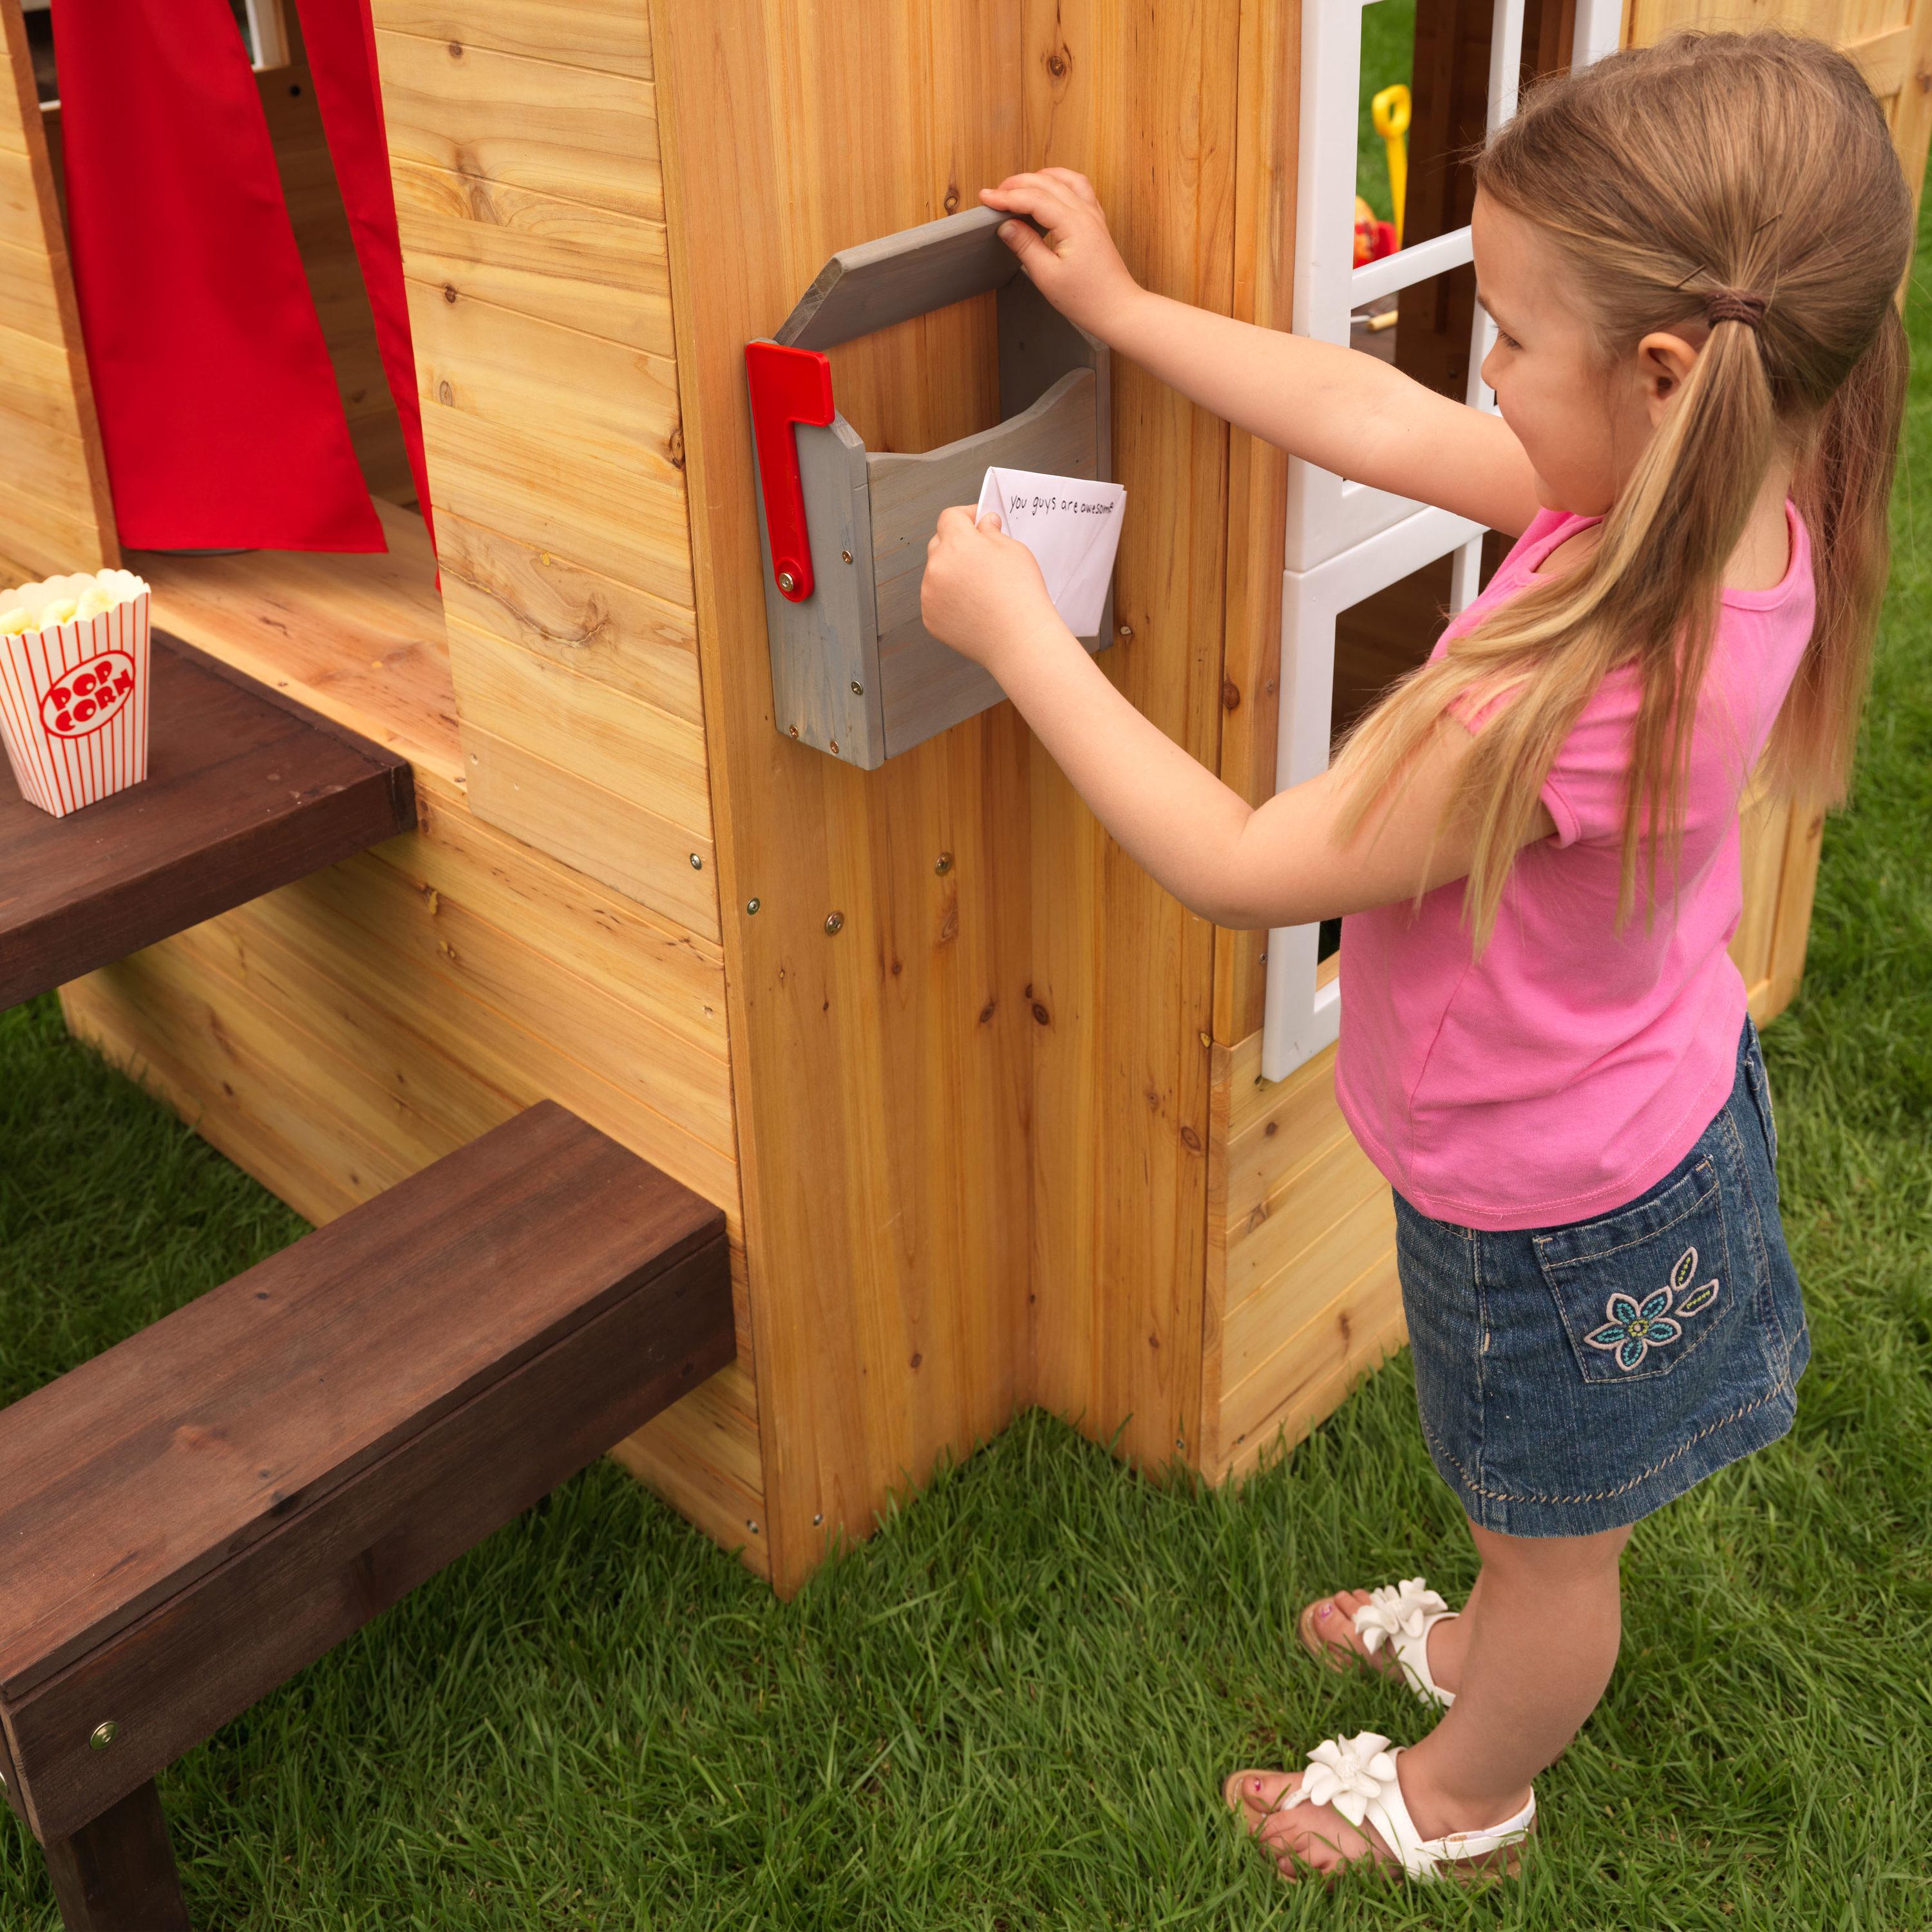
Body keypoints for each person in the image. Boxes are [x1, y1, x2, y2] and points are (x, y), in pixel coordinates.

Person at [918, 28, 1911, 1885]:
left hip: (1555, 1211)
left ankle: (1469, 1792)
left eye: (1511, 336)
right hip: (1638, 1130)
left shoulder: (1572, 685)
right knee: (1547, 1506)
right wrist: (1126, 312)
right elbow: (1372, 420)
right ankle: (1482, 1646)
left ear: (1668, 371)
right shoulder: (1710, 509)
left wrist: (1017, 636)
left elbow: (1238, 860)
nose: (1483, 366)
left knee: (1556, 1544)